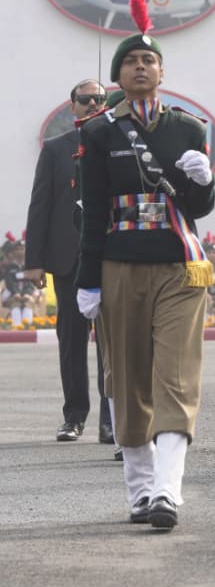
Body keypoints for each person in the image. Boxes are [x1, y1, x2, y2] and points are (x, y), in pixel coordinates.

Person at [76, 0, 215, 530]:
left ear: (161, 72)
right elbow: (91, 216)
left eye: (149, 61)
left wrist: (204, 181)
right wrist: (89, 281)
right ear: (118, 75)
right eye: (131, 62)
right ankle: (138, 489)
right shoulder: (98, 133)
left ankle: (166, 491)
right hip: (120, 266)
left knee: (175, 377)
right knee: (127, 376)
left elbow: (199, 208)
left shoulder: (188, 128)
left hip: (181, 267)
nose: (141, 67)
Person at [25, 78, 111, 443]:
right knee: (72, 340)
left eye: (99, 99)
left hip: (111, 257)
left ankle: (113, 420)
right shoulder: (56, 148)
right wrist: (34, 260)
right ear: (72, 104)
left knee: (113, 343)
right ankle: (74, 416)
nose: (93, 104)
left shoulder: (117, 142)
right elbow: (40, 204)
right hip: (67, 259)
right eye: (86, 99)